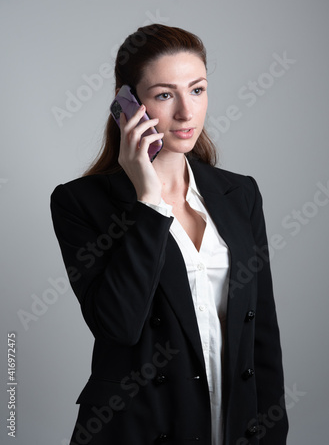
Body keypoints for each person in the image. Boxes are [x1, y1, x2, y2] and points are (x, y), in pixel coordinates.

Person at [50, 24, 288, 445]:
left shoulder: (240, 194)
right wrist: (149, 201)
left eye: (197, 90)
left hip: (233, 424)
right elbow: (119, 326)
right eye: (164, 95)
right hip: (139, 428)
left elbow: (262, 332)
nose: (186, 112)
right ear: (127, 105)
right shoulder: (80, 203)